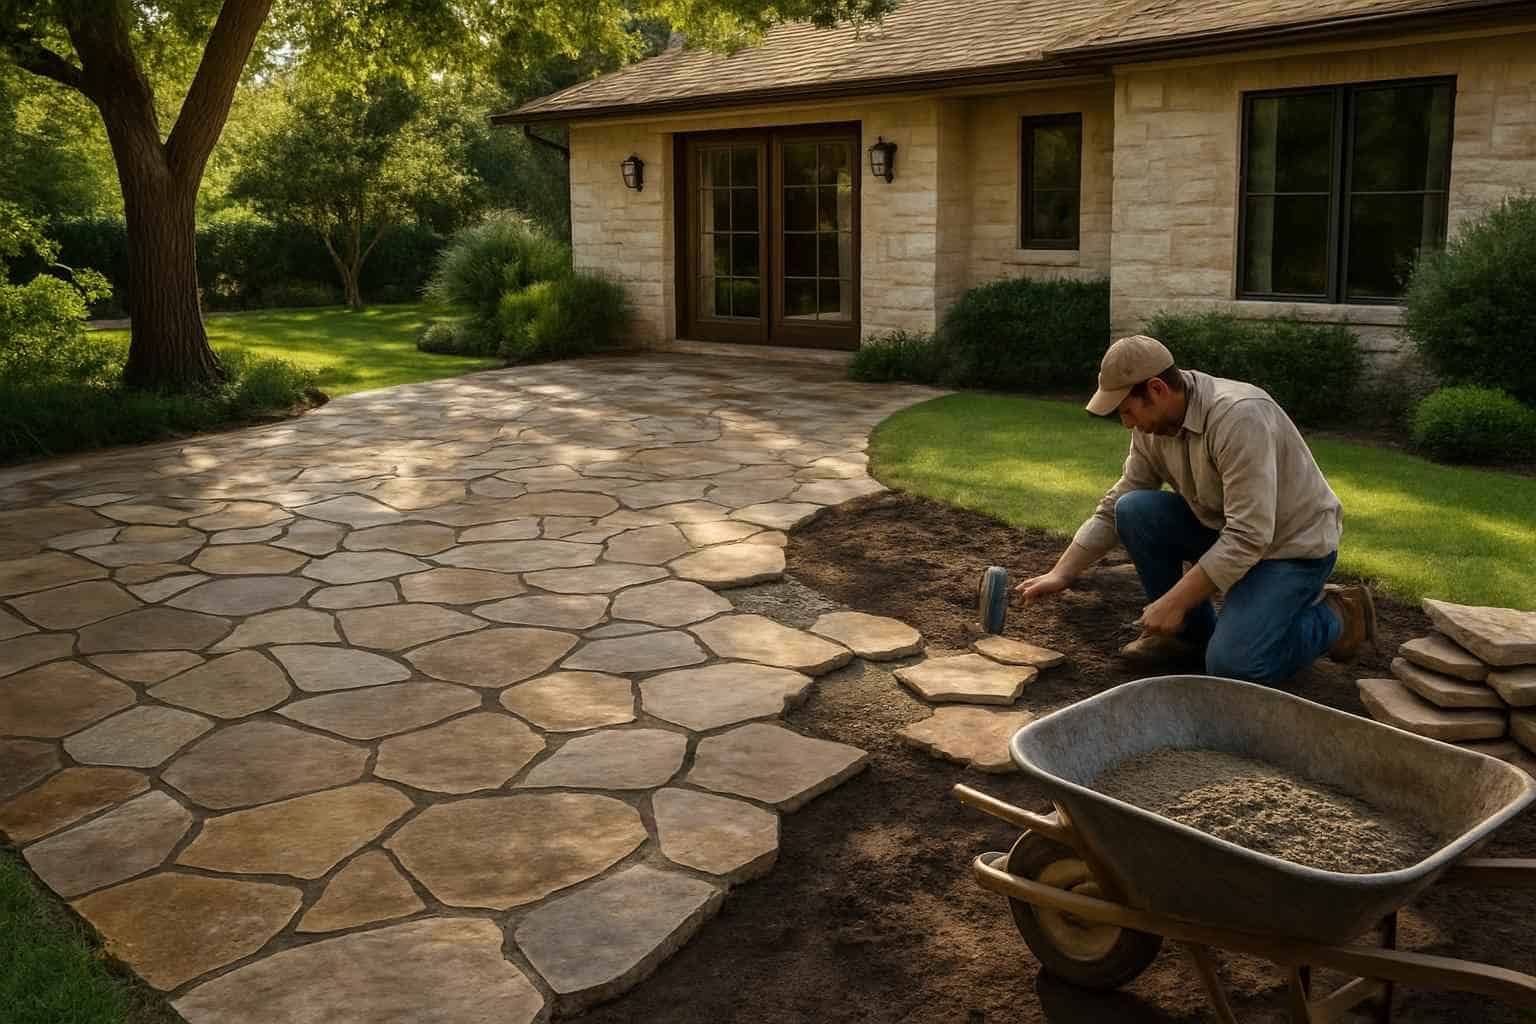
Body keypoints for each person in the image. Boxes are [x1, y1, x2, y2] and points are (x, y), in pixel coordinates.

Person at [1015, 334, 1376, 684]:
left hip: (1290, 550)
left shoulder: (1239, 418)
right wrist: (1061, 573)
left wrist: (1173, 600)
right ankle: (1188, 637)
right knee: (1134, 509)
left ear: (1156, 389)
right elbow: (1118, 502)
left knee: (1235, 666)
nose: (1126, 423)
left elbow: (1250, 535)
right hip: (1227, 532)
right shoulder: (1151, 428)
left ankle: (1338, 616)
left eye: (1127, 410)